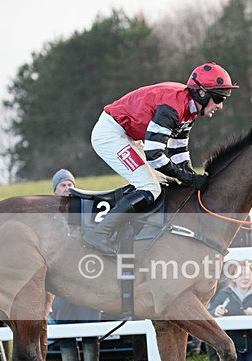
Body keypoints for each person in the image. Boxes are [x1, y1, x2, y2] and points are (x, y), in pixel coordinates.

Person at [86, 62, 239, 255]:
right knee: (150, 187)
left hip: (128, 135)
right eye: (218, 98)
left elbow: (178, 150)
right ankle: (100, 233)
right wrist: (187, 177)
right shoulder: (172, 107)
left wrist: (191, 176)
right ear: (201, 93)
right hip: (110, 135)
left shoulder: (190, 108)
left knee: (162, 183)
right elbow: (154, 156)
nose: (220, 105)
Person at [49, 169, 103, 361]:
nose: (67, 188)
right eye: (63, 185)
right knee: (64, 326)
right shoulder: (49, 214)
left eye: (70, 185)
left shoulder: (86, 211)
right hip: (60, 278)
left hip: (85, 275)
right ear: (55, 190)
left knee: (90, 323)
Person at [208, 261, 252, 361]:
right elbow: (209, 313)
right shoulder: (224, 293)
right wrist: (216, 312)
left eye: (248, 275)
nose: (245, 278)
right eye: (240, 275)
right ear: (233, 278)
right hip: (232, 346)